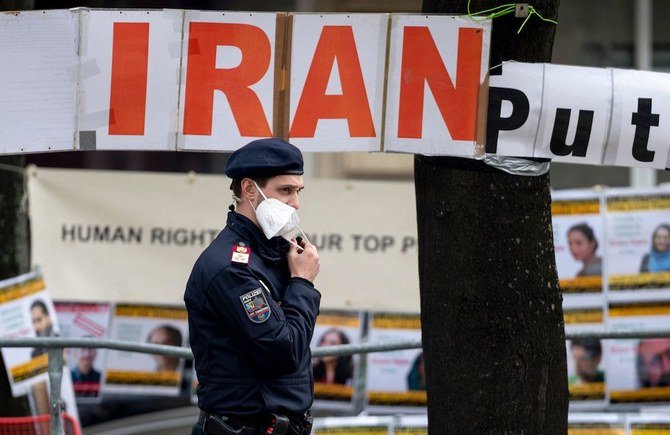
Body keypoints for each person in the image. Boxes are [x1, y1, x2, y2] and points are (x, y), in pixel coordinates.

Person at [185, 138, 321, 435]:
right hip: (242, 427)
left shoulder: (277, 252)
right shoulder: (231, 265)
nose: (295, 203)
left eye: (298, 191)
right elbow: (283, 351)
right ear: (249, 189)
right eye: (285, 190)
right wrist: (302, 283)